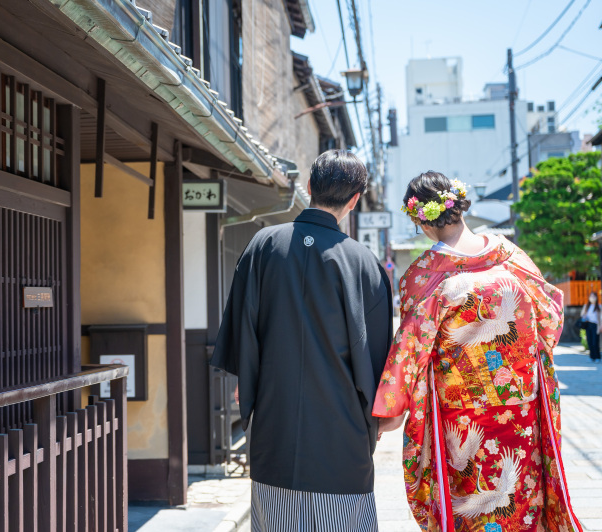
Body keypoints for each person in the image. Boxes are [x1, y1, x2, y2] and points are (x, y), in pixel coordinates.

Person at [374, 171, 584, 532]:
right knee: (520, 495)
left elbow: (410, 348)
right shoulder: (512, 257)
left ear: (420, 220)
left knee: (470, 504)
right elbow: (549, 317)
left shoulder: (424, 276)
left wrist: (391, 407)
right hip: (521, 410)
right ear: (460, 206)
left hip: (462, 413)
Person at [211, 150, 393, 532]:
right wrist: (384, 413)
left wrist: (247, 386)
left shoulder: (262, 246)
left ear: (309, 187)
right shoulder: (364, 263)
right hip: (342, 438)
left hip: (275, 430)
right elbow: (378, 362)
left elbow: (241, 331)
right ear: (355, 200)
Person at [579, 291, 601, 362]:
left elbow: (601, 318)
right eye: (591, 296)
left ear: (596, 298)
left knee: (595, 342)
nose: (592, 298)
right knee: (590, 342)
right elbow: (582, 315)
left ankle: (597, 357)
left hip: (596, 325)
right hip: (588, 325)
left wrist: (600, 326)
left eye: (594, 297)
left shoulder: (599, 307)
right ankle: (591, 357)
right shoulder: (586, 306)